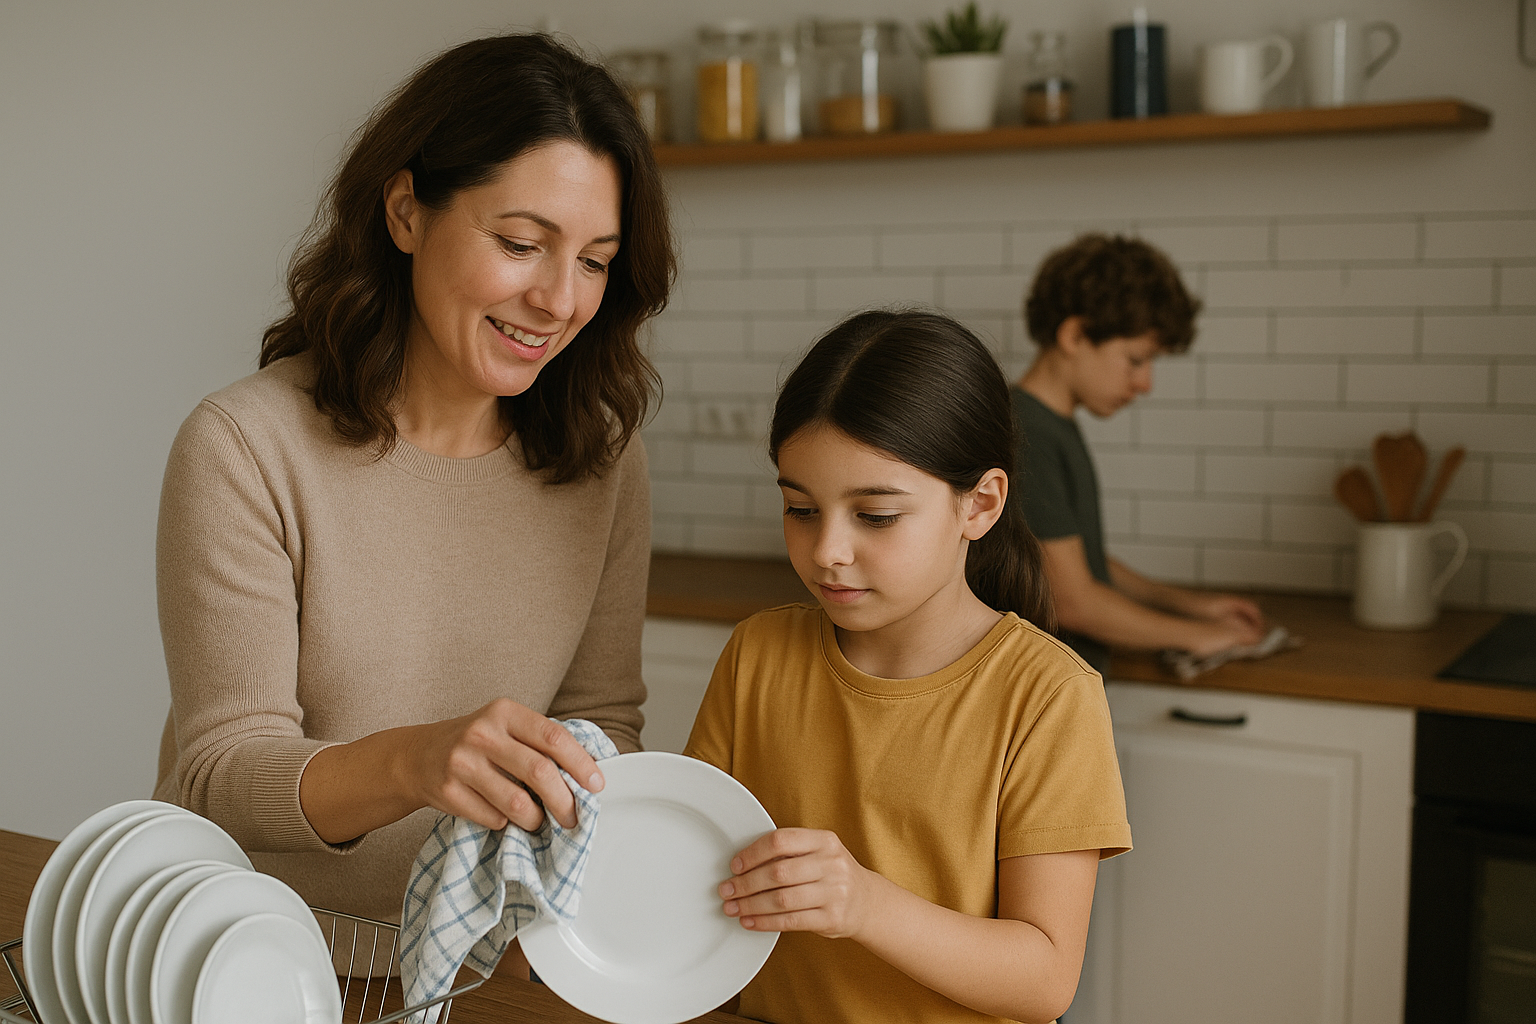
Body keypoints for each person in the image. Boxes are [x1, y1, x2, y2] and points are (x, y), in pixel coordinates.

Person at [152, 34, 675, 925]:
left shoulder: (602, 462)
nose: (559, 299)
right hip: (259, 957)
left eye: (593, 261)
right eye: (520, 242)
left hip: (492, 967)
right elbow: (221, 775)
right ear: (405, 212)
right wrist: (413, 763)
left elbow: (600, 730)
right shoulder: (245, 446)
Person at [684, 310, 1132, 1024]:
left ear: (979, 505)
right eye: (801, 508)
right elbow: (701, 893)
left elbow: (1045, 979)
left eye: (877, 515)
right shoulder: (755, 656)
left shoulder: (1049, 696)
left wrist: (864, 905)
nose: (828, 549)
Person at [1013, 234, 1266, 676]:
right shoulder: (1027, 432)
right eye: (1135, 360)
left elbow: (1078, 559)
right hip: (1043, 702)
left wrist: (1190, 606)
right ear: (1074, 334)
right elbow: (1072, 601)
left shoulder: (1050, 424)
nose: (1145, 383)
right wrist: (1201, 636)